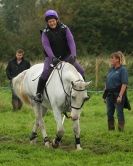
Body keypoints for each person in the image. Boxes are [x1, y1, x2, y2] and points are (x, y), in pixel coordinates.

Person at [34, 9, 85, 103]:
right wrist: (53, 58)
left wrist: (73, 54)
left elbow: (71, 41)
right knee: (45, 72)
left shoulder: (64, 28)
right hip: (51, 57)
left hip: (66, 56)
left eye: (53, 21)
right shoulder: (45, 32)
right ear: (47, 22)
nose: (52, 23)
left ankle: (83, 92)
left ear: (56, 20)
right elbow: (46, 46)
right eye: (50, 22)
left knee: (81, 70)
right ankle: (39, 94)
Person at [103, 51, 130, 131]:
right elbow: (107, 82)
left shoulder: (123, 70)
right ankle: (111, 130)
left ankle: (121, 130)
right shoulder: (111, 69)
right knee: (109, 113)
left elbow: (124, 84)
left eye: (112, 58)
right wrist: (104, 95)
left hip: (118, 94)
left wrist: (120, 96)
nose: (111, 60)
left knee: (119, 113)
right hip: (109, 95)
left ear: (118, 60)